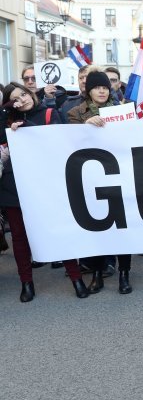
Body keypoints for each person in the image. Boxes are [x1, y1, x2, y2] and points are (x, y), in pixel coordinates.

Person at [0, 82, 89, 301]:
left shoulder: (50, 113)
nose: (23, 99)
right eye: (16, 98)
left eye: (24, 93)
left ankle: (76, 277)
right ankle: (26, 283)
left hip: (45, 184)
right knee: (19, 237)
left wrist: (26, 127)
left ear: (31, 93)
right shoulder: (7, 121)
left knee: (57, 229)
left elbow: (57, 143)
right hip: (14, 185)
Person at [67, 71, 133, 294]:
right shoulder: (75, 113)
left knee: (123, 227)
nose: (102, 90)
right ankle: (97, 273)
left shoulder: (123, 111)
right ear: (89, 90)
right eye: (97, 87)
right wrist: (86, 125)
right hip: (92, 177)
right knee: (97, 228)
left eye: (105, 87)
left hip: (122, 175)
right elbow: (68, 142)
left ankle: (124, 274)